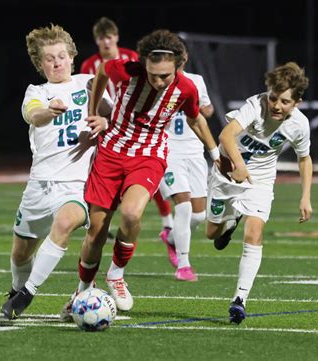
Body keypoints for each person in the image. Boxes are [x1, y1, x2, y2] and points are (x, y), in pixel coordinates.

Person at [60, 29, 220, 317]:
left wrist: (216, 153)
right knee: (96, 232)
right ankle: (82, 290)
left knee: (132, 214)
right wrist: (95, 110)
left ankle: (116, 275)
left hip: (149, 157)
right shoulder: (125, 71)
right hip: (110, 154)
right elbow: (100, 73)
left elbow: (196, 117)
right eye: (153, 74)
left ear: (178, 66)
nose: (159, 81)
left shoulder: (186, 88)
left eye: (165, 76)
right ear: (143, 63)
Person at [0, 23, 112, 320]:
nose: (57, 62)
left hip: (75, 184)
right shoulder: (38, 91)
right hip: (39, 184)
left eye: (62, 55)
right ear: (40, 64)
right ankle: (16, 289)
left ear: (72, 57)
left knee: (65, 223)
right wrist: (49, 111)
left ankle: (27, 294)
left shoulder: (89, 83)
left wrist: (105, 123)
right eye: (49, 58)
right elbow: (33, 115)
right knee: (21, 253)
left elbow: (116, 118)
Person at [205, 62, 312, 324]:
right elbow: (226, 135)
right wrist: (239, 166)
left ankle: (240, 299)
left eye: (285, 101)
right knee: (212, 234)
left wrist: (305, 196)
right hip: (226, 174)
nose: (276, 105)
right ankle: (229, 222)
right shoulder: (256, 105)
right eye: (274, 98)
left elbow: (304, 159)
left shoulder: (299, 125)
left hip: (261, 181)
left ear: (297, 101)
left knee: (255, 231)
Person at [81, 16, 174, 235]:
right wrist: (95, 115)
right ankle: (94, 219)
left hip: (130, 123)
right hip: (105, 121)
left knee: (145, 169)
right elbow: (89, 90)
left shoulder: (130, 58)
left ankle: (166, 217)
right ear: (96, 40)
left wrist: (110, 121)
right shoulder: (89, 65)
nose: (106, 42)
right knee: (93, 168)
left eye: (109, 37)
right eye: (101, 38)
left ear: (116, 37)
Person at [158, 42, 214, 281]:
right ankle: (184, 264)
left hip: (194, 149)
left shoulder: (195, 80)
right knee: (183, 205)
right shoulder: (158, 80)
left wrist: (203, 109)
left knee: (199, 215)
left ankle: (170, 237)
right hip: (168, 151)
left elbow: (207, 109)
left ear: (185, 57)